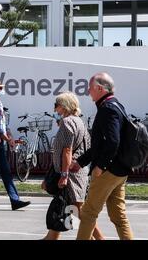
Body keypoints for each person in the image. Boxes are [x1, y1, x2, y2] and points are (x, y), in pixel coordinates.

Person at [70, 72, 134, 240]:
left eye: (89, 88)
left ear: (99, 88)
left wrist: (101, 166)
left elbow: (112, 142)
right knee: (118, 217)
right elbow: (101, 145)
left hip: (108, 172)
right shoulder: (117, 105)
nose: (88, 91)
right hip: (120, 171)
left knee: (88, 213)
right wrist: (81, 162)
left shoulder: (107, 109)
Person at [42, 92, 104, 240]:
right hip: (77, 171)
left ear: (64, 106)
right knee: (69, 207)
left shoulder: (67, 122)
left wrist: (64, 175)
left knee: (80, 210)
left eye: (56, 105)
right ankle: (51, 237)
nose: (55, 109)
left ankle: (100, 239)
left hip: (71, 173)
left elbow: (67, 150)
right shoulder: (78, 121)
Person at [0, 79, 31, 211]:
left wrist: (9, 135)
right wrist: (8, 139)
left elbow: (3, 122)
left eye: (1, 88)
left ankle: (15, 200)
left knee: (6, 172)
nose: (1, 90)